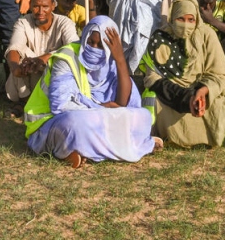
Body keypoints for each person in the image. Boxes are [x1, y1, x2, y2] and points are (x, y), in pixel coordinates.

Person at [24, 16, 158, 168]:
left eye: (100, 45)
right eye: (90, 42)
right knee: (75, 124)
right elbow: (60, 105)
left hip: (97, 118)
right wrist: (103, 109)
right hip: (51, 121)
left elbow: (123, 104)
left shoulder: (111, 60)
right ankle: (132, 143)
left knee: (143, 116)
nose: (94, 48)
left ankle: (84, 149)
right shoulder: (67, 58)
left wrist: (120, 61)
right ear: (84, 38)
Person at [139, 0, 225, 148]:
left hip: (201, 93)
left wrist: (202, 92)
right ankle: (155, 138)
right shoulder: (160, 37)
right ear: (171, 17)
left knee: (219, 102)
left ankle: (207, 139)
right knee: (151, 99)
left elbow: (220, 75)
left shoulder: (207, 35)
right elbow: (152, 77)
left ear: (197, 19)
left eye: (191, 20)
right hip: (171, 95)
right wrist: (185, 97)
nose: (185, 25)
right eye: (180, 19)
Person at [4, 0, 79, 109]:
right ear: (30, 6)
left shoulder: (65, 22)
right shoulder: (23, 22)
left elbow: (74, 46)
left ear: (53, 6)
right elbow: (15, 46)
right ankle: (26, 102)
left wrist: (45, 57)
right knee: (18, 56)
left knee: (67, 55)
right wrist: (15, 67)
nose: (40, 11)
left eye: (45, 6)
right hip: (31, 76)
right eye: (36, 6)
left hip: (53, 76)